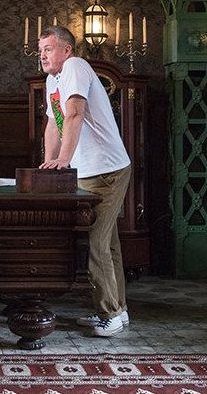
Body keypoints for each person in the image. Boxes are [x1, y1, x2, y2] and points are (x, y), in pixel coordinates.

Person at [38, 26, 131, 337]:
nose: (42, 55)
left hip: (107, 171)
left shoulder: (75, 66)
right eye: (40, 50)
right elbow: (54, 124)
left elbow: (75, 113)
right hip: (87, 172)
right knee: (109, 243)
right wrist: (49, 165)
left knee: (95, 243)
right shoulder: (52, 80)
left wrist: (63, 160)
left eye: (49, 48)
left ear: (66, 50)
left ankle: (110, 314)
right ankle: (119, 310)